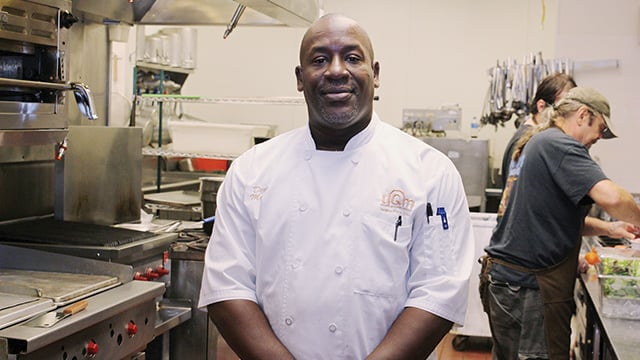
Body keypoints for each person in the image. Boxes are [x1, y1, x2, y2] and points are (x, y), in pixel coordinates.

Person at [198, 13, 475, 359]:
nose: (336, 70)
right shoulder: (251, 170)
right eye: (319, 59)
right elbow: (227, 288)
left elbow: (439, 293)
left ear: (375, 73)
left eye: (352, 57)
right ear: (300, 79)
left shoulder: (429, 172)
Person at [481, 87, 640, 359]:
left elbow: (550, 217)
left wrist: (610, 228)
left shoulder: (539, 141)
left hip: (508, 283)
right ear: (582, 115)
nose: (598, 139)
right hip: (528, 288)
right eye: (600, 129)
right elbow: (613, 198)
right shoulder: (561, 145)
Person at [499, 73, 577, 195]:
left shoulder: (541, 139)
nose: (566, 118)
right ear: (541, 106)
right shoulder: (526, 141)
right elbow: (516, 197)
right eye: (561, 110)